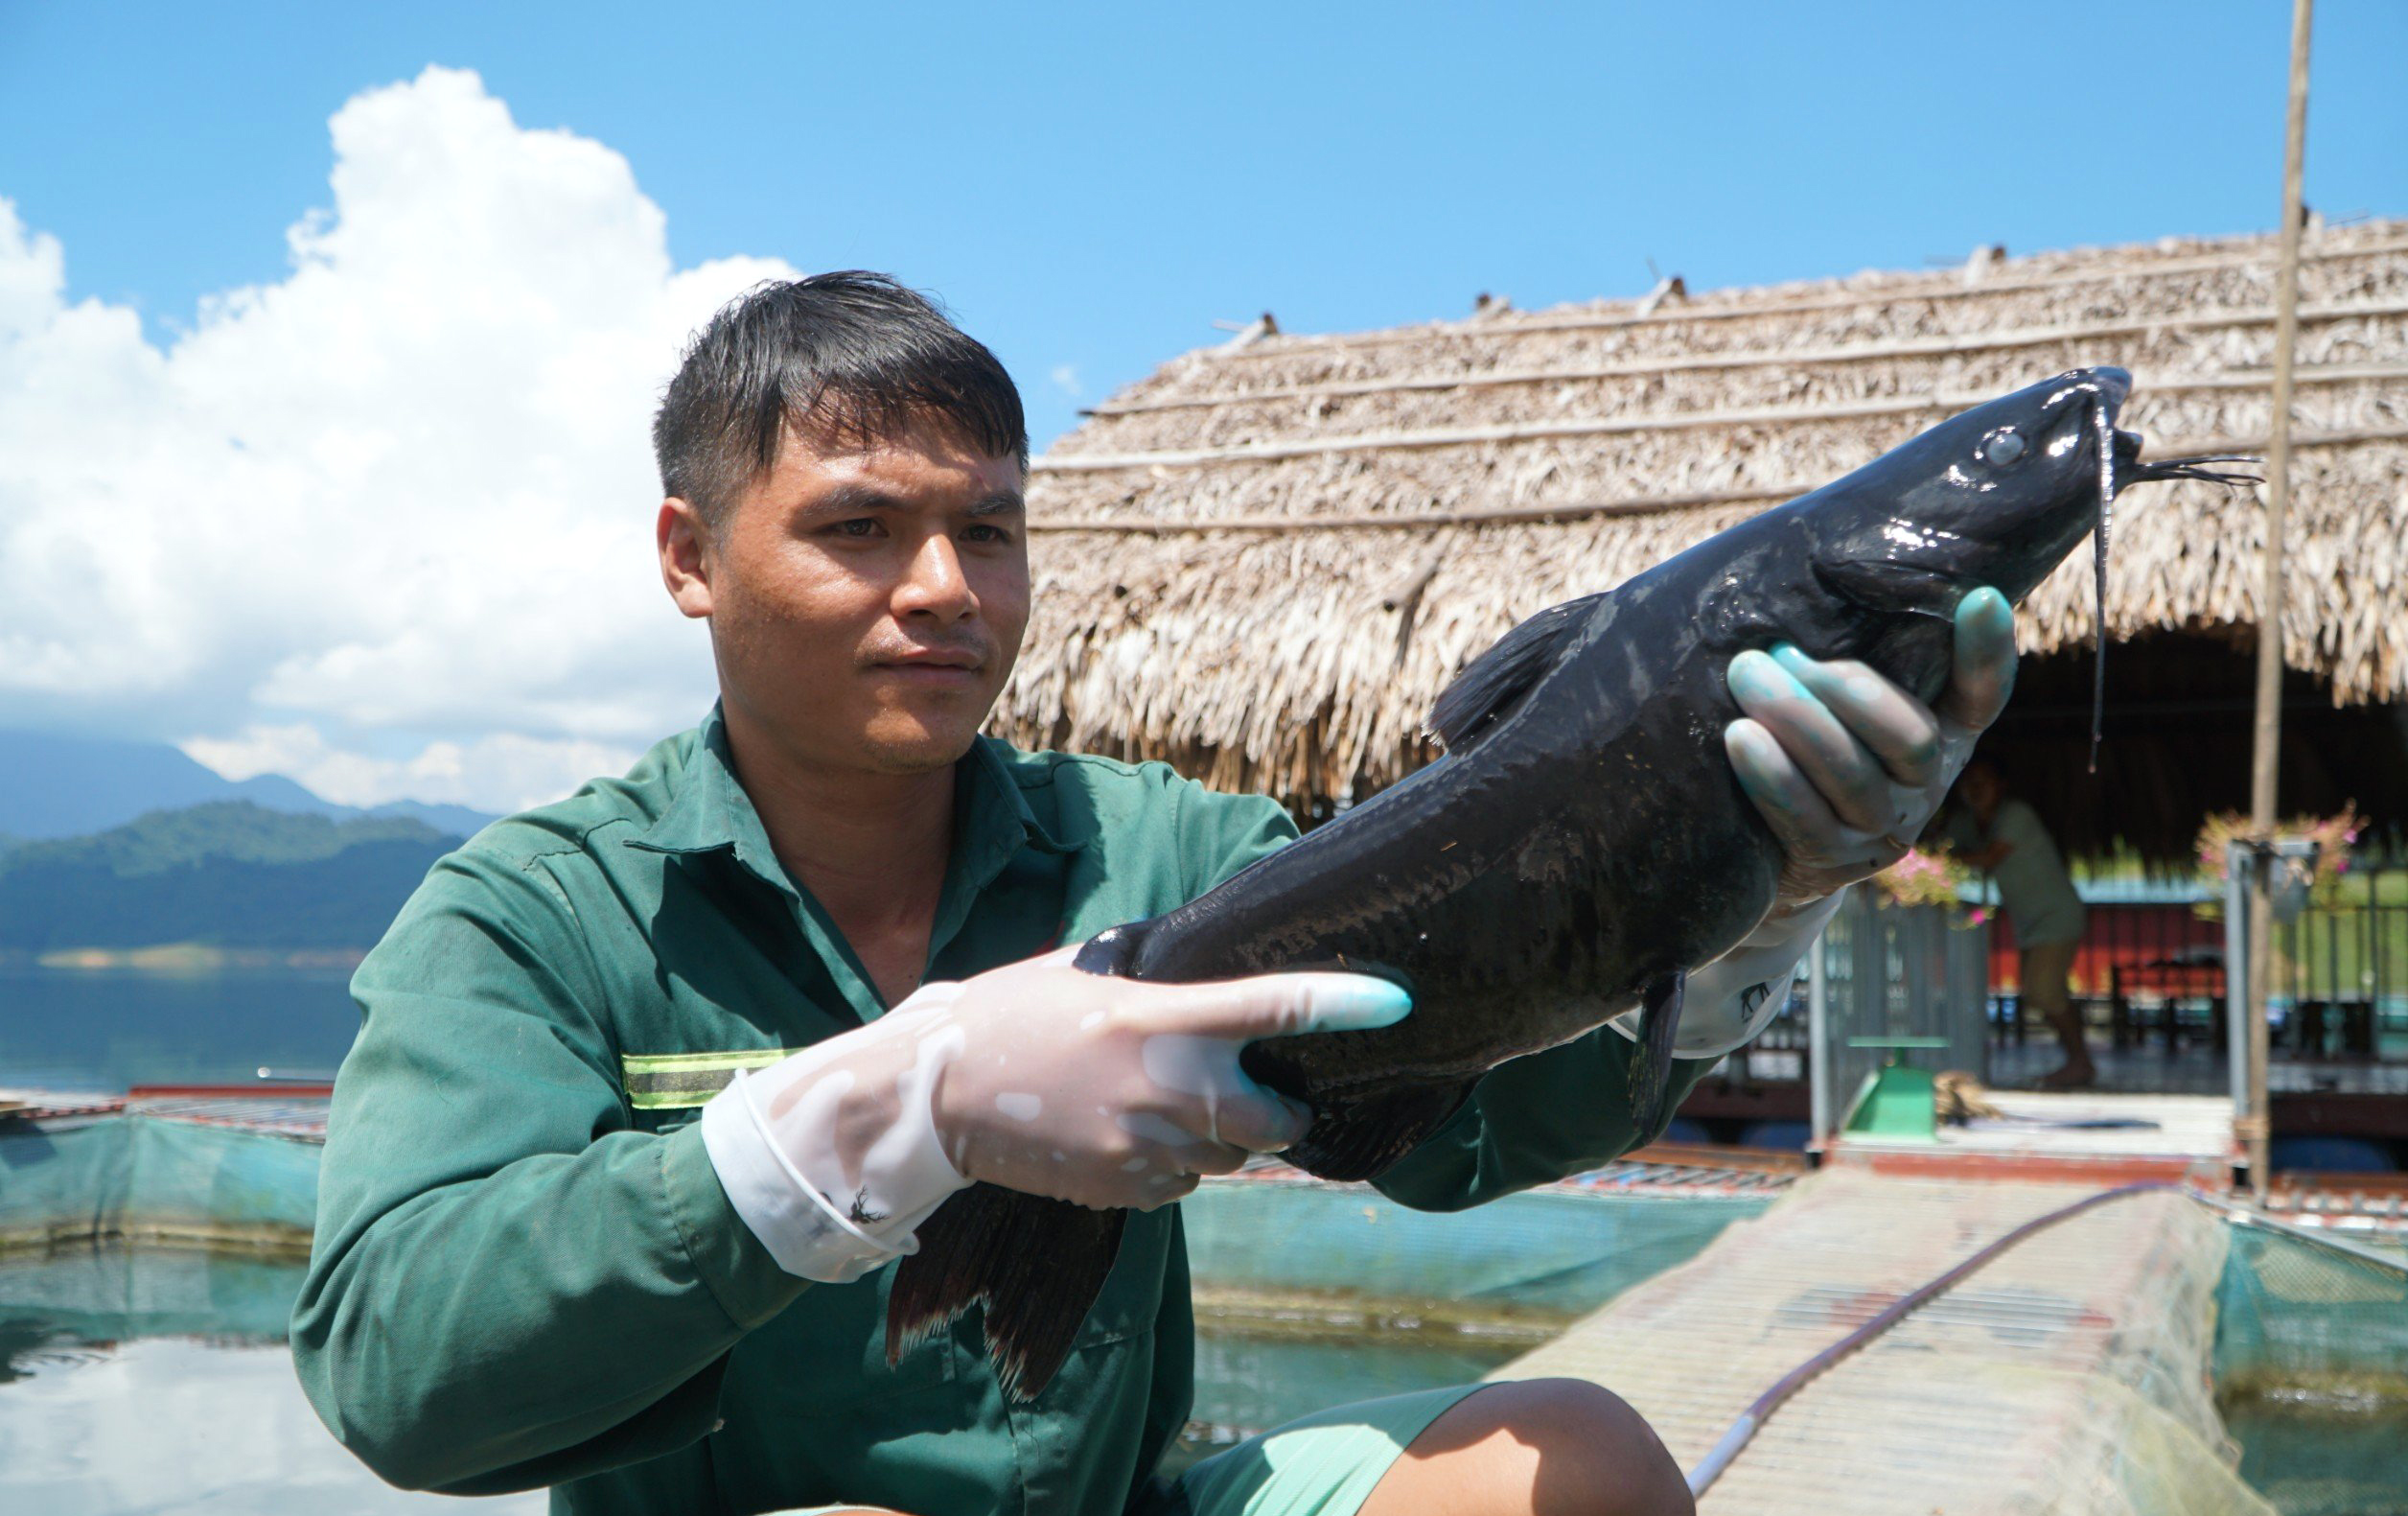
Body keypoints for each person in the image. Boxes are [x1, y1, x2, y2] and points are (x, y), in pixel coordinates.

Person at [290, 273, 2018, 1516]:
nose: (944, 589)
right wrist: (900, 1105)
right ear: (688, 557)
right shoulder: (533, 914)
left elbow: (1473, 1117)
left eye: (991, 527)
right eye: (858, 529)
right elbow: (398, 1369)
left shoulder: (1165, 856)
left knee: (1582, 1465)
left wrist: (1749, 902)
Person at [1948, 760, 2091, 1088]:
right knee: (2041, 993)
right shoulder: (1967, 822)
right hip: (2029, 921)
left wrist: (1934, 860)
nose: (1975, 789)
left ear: (2001, 785)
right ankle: (2079, 1062)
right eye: (1968, 783)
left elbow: (1986, 858)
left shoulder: (2016, 815)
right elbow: (1946, 847)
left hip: (2056, 914)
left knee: (2043, 992)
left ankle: (2080, 1063)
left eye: (1982, 781)